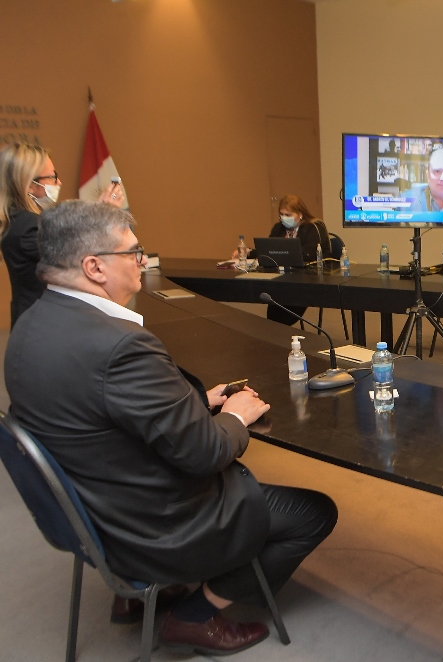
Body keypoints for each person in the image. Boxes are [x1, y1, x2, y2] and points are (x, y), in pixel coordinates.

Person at [5, 201, 338, 655]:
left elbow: (96, 413)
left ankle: (135, 600)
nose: (142, 260)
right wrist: (236, 414)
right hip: (151, 524)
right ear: (94, 267)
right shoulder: (121, 345)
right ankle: (196, 615)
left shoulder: (30, 326)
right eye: (132, 252)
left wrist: (195, 403)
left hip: (91, 507)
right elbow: (204, 453)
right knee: (314, 512)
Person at [0, 143, 123, 326]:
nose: (59, 182)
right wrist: (104, 216)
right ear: (29, 185)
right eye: (52, 177)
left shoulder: (18, 219)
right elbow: (77, 261)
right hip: (44, 322)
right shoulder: (29, 225)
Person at [257, 194, 333, 326]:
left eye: (288, 215)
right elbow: (269, 249)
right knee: (276, 304)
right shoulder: (278, 228)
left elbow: (311, 253)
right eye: (281, 214)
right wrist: (250, 252)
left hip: (309, 279)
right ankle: (277, 331)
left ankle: (280, 330)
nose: (284, 218)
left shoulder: (314, 227)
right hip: (282, 278)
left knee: (282, 311)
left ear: (300, 214)